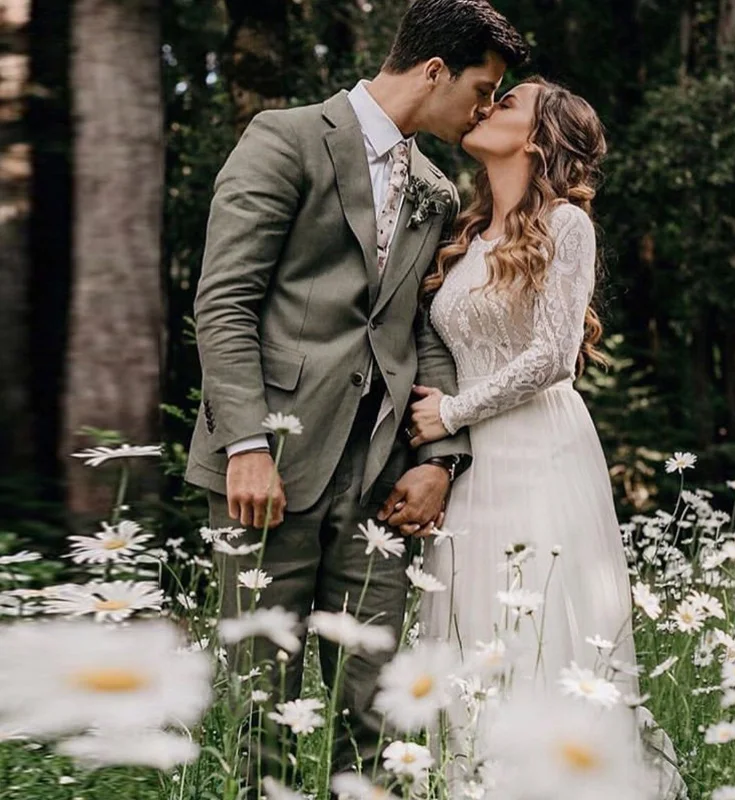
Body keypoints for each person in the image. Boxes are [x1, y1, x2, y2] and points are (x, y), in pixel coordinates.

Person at [184, 0, 528, 790]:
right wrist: (245, 443)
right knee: (258, 705)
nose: (484, 109)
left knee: (375, 711)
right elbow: (226, 301)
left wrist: (439, 456)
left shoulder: (436, 190)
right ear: (434, 70)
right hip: (269, 469)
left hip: (377, 483)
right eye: (481, 89)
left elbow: (423, 330)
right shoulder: (285, 139)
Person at [409, 76, 687, 798]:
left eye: (507, 102)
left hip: (538, 449)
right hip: (473, 462)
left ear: (537, 138)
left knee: (534, 618)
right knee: (472, 620)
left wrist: (453, 412)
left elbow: (554, 354)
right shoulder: (466, 234)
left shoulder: (567, 225)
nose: (487, 105)